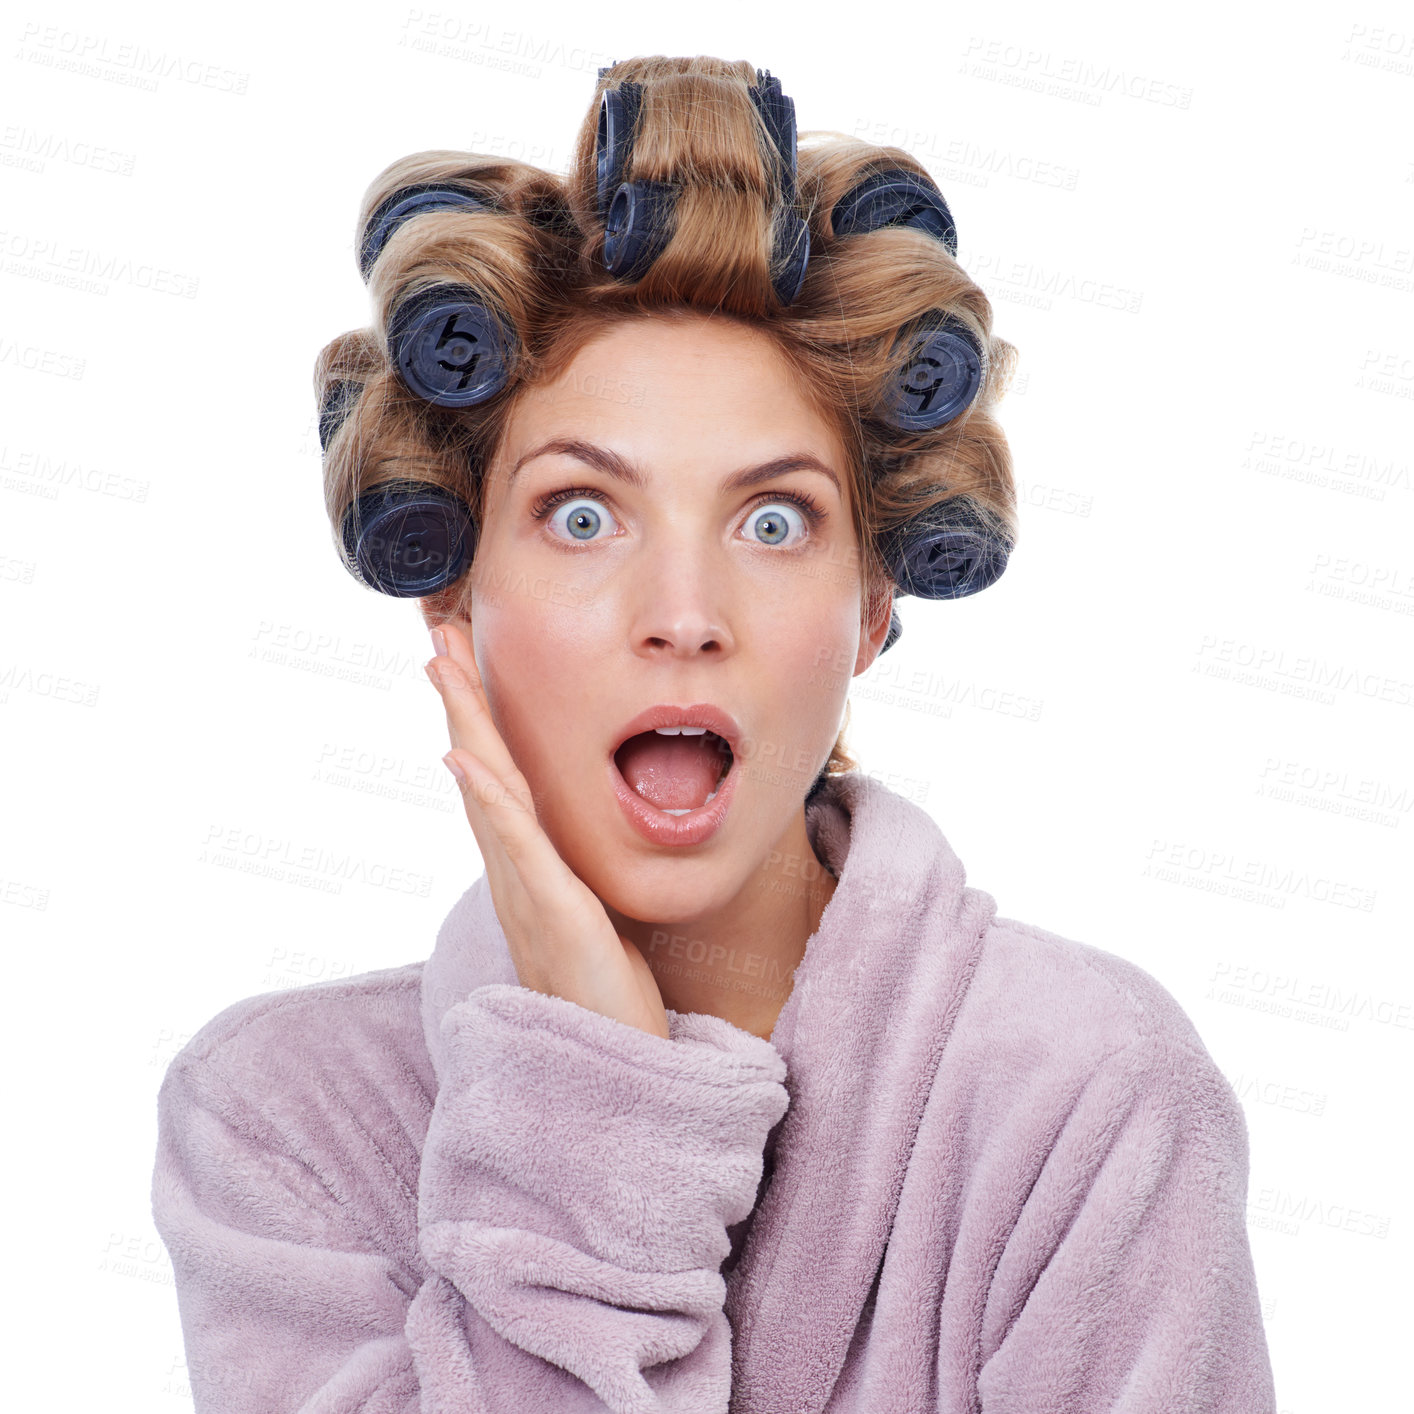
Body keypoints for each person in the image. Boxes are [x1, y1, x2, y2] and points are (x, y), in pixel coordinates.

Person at [151, 54, 1278, 1412]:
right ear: (454, 594)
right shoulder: (283, 1121)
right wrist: (590, 1094)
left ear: (869, 607)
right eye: (581, 515)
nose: (683, 613)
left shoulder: (1084, 1097)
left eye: (771, 521)